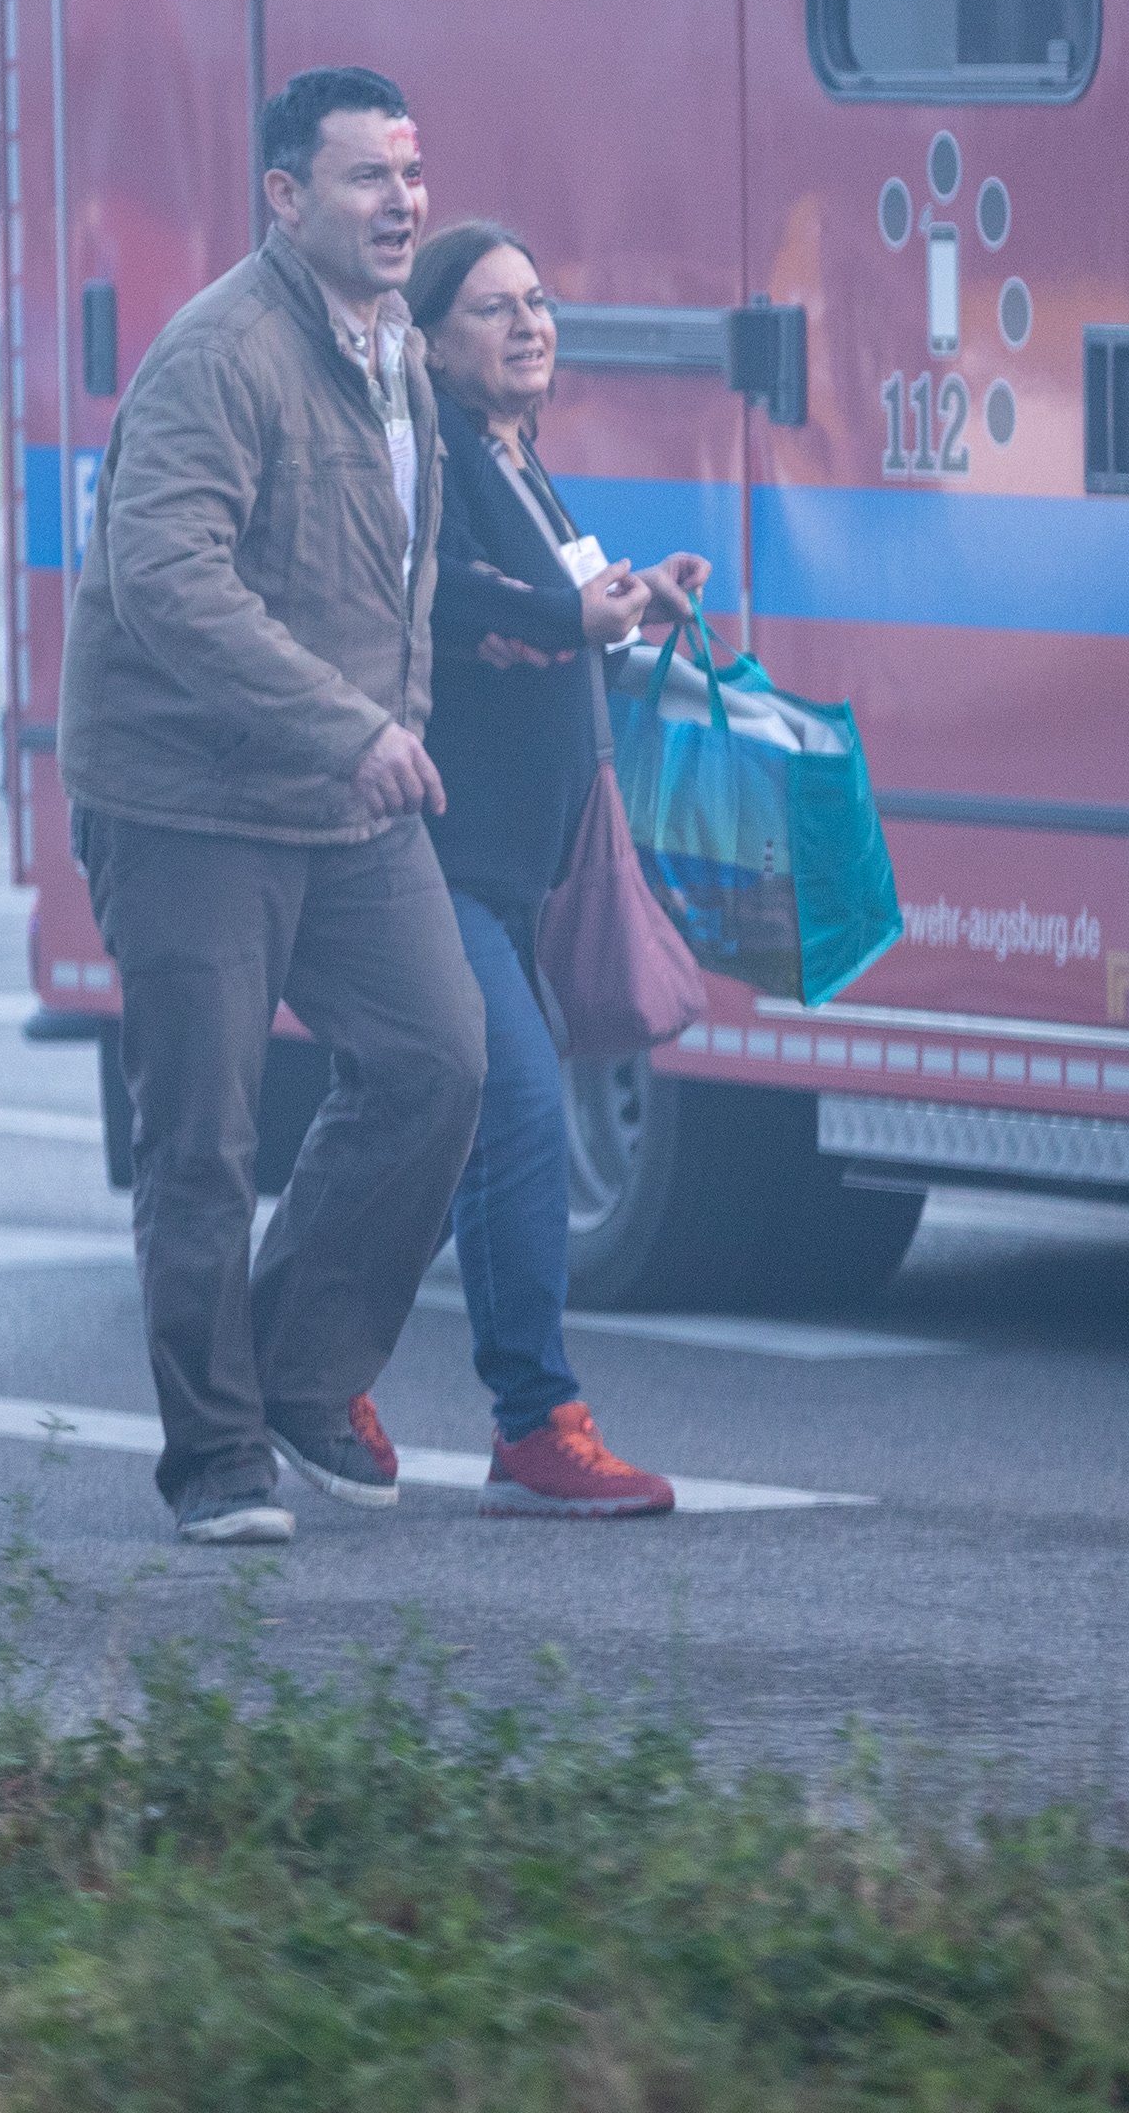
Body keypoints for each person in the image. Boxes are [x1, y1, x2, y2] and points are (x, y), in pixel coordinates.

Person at [61, 63, 487, 1547]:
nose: (403, 203)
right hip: (190, 801)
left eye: (412, 173)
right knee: (203, 1142)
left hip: (348, 790)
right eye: (369, 176)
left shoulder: (396, 351)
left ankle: (301, 1368)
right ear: (286, 196)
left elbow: (385, 567)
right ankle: (217, 1456)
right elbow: (166, 578)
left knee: (439, 1060)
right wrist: (351, 725)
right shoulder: (221, 353)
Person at [406, 218, 716, 1516]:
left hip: (522, 867)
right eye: (493, 309)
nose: (529, 324)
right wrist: (563, 614)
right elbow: (441, 593)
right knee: (521, 1112)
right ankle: (536, 1424)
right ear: (429, 345)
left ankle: (291, 1361)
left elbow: (556, 608)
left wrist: (634, 606)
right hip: (441, 859)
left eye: (536, 301)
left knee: (417, 1142)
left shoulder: (513, 452)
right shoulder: (430, 457)